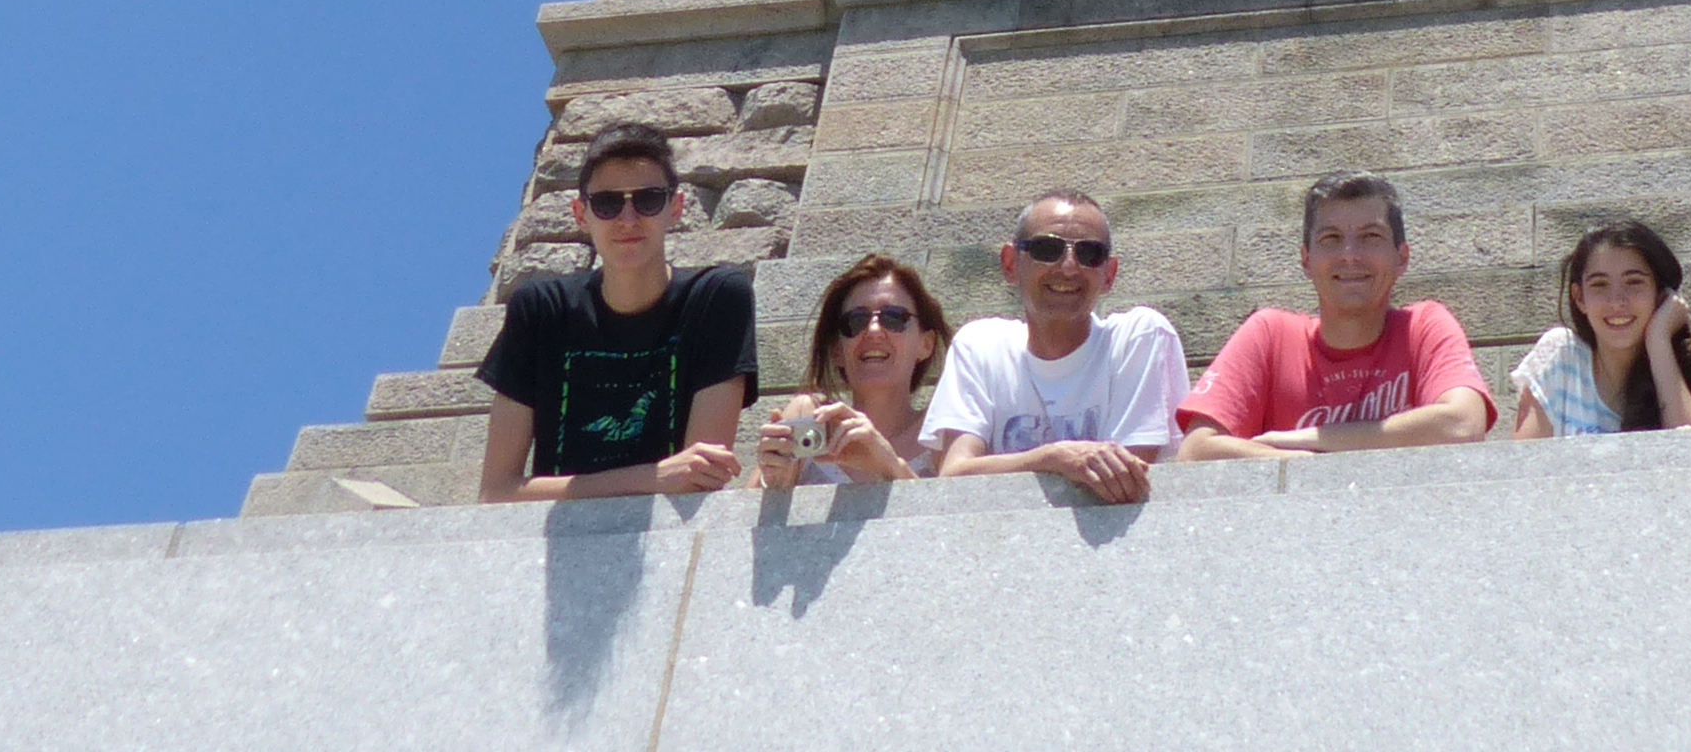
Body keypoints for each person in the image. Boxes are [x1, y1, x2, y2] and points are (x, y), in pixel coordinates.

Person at [475, 130, 755, 501]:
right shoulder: (541, 309)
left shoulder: (716, 299)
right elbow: (495, 492)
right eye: (607, 204)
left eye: (648, 199)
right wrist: (653, 477)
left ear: (675, 208)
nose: (628, 219)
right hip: (558, 535)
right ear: (581, 214)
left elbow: (699, 480)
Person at [1175, 174, 1494, 461]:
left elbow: (1463, 425)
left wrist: (1309, 439)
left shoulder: (1422, 327)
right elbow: (1196, 452)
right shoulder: (1270, 336)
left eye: (1370, 237)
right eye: (1331, 239)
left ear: (1401, 258)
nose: (1350, 255)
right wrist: (1307, 466)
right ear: (1306, 260)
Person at [921, 192, 1191, 503]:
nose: (1068, 267)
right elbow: (955, 476)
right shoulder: (979, 347)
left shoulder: (1138, 337)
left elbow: (1124, 485)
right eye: (1046, 249)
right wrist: (1054, 458)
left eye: (1090, 253)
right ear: (1010, 263)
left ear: (1109, 274)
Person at [1509, 221, 1691, 436]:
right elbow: (1523, 458)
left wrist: (1659, 342)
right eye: (1599, 284)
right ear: (1579, 298)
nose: (1616, 302)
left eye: (1634, 282)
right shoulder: (1560, 356)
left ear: (1661, 293)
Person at [754, 255, 951, 488]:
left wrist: (891, 466)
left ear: (926, 344)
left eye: (894, 317)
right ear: (837, 350)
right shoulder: (808, 417)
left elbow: (964, 510)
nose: (873, 330)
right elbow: (740, 510)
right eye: (856, 320)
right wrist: (774, 487)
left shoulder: (942, 432)